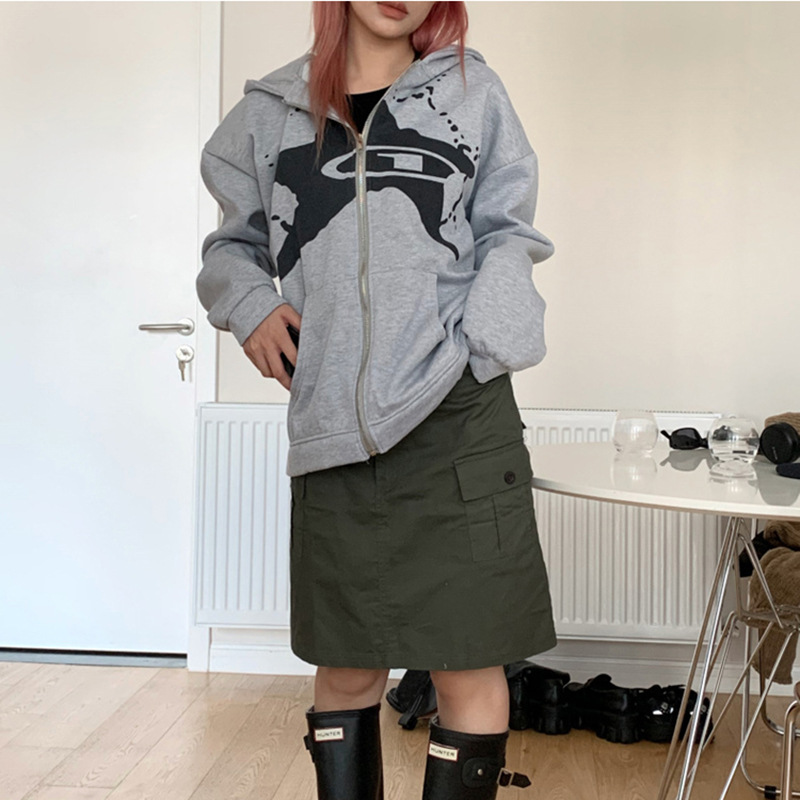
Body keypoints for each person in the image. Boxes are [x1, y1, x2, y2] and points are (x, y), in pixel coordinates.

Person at [196, 2, 557, 798]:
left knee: (468, 664)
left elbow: (509, 229)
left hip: (458, 418)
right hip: (335, 430)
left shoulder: (472, 94)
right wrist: (250, 305)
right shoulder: (268, 114)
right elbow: (231, 247)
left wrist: (482, 340)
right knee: (348, 669)